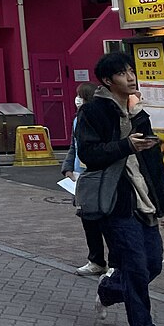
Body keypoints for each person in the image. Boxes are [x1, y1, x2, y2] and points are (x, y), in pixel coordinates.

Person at [77, 52, 164, 326]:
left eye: (131, 71)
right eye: (122, 73)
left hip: (144, 200)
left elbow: (154, 162)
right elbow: (88, 153)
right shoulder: (93, 112)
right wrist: (125, 145)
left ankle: (108, 290)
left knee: (152, 264)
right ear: (108, 80)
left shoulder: (138, 114)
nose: (131, 77)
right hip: (115, 201)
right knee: (135, 267)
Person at [62, 82, 110, 276]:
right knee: (87, 218)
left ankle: (114, 263)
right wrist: (67, 168)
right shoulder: (77, 119)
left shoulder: (99, 118)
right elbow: (74, 146)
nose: (77, 99)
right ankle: (96, 260)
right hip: (79, 175)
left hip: (97, 175)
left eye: (80, 96)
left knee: (106, 218)